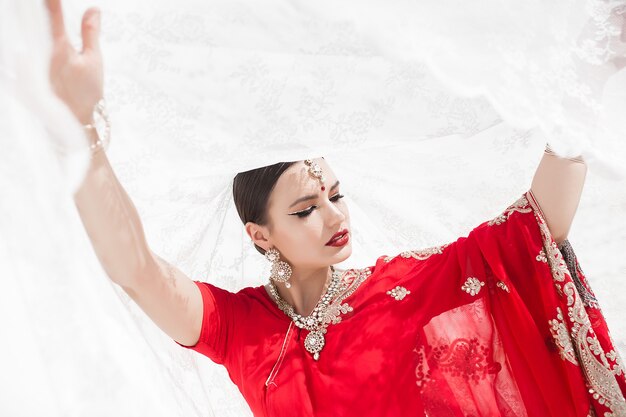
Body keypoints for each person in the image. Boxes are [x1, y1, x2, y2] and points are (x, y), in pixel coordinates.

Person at [45, 0, 626, 415]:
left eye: (336, 196)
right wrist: (83, 134)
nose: (335, 217)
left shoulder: (402, 288)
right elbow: (136, 270)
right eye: (305, 210)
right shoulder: (236, 327)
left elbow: (532, 229)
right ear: (260, 234)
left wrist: (586, 82)